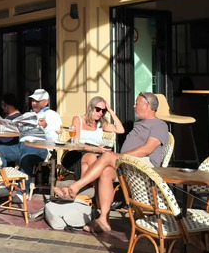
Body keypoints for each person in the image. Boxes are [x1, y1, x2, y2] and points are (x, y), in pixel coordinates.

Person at [54, 92, 168, 232]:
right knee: (106, 172)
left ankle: (74, 188)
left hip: (144, 165)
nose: (134, 106)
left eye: (137, 103)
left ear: (147, 105)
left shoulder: (159, 125)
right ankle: (104, 219)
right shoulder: (140, 123)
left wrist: (120, 156)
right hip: (128, 164)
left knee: (107, 155)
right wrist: (121, 157)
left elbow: (146, 149)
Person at [60, 97, 125, 177]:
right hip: (76, 154)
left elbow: (121, 130)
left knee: (85, 167)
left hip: (95, 154)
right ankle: (95, 187)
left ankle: (84, 187)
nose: (101, 113)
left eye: (103, 111)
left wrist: (111, 111)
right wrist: (94, 149)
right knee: (92, 157)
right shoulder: (78, 119)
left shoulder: (101, 124)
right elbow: (76, 143)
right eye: (98, 109)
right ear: (90, 108)